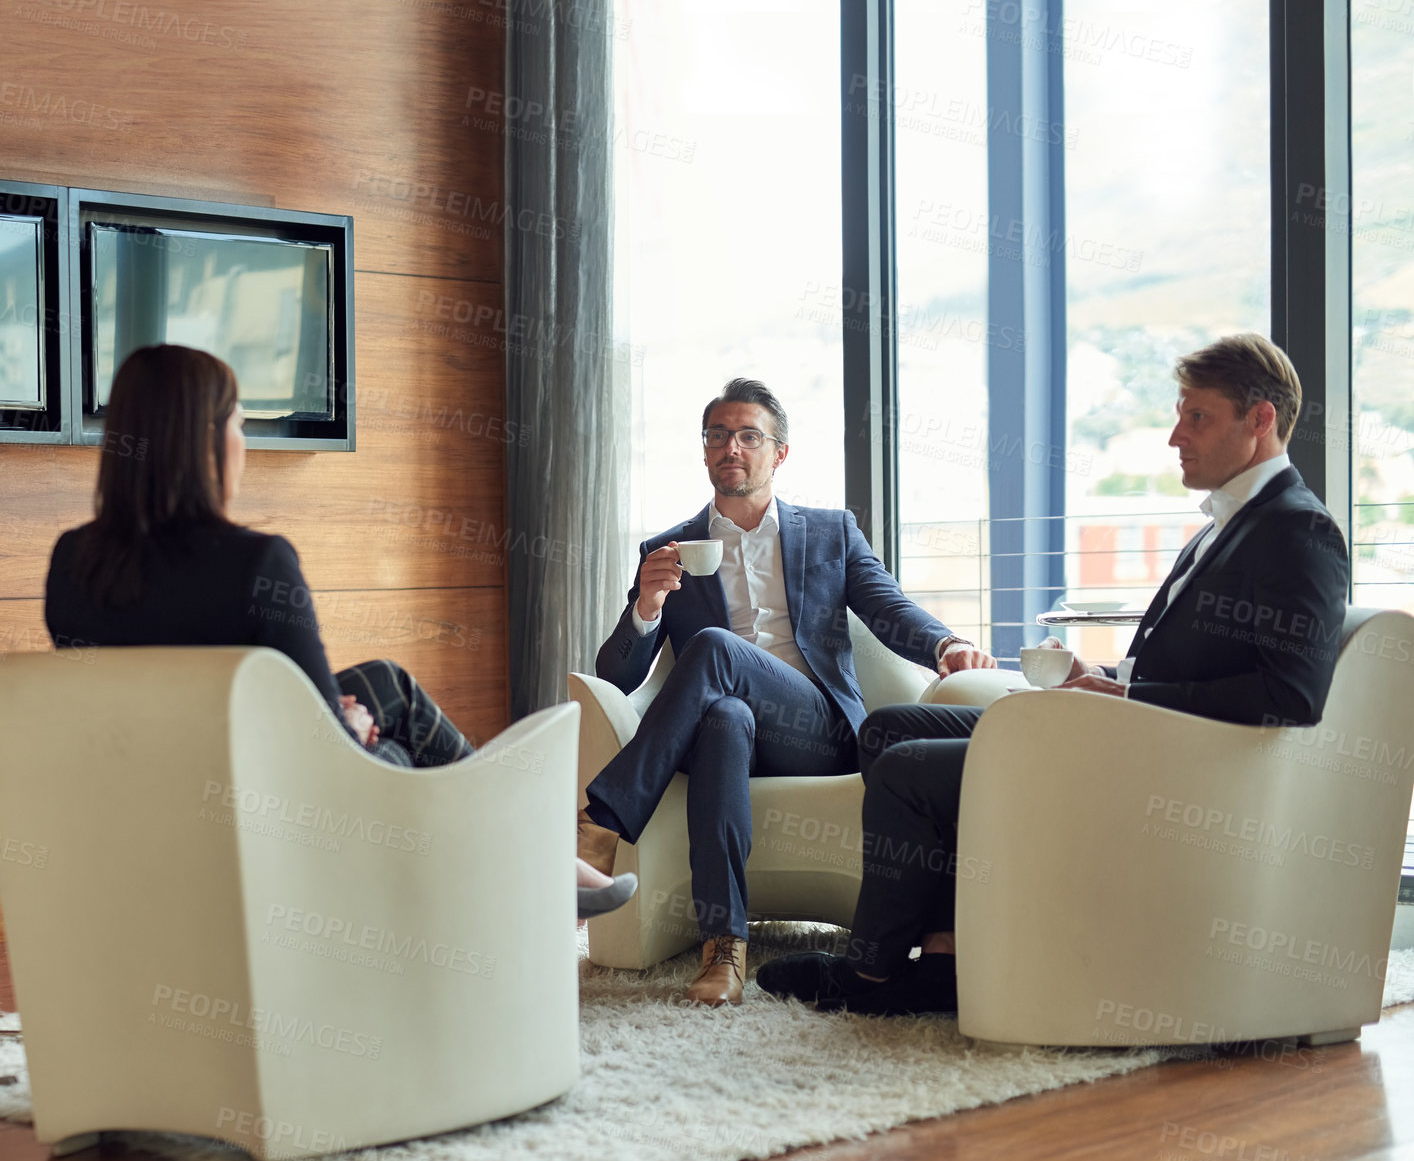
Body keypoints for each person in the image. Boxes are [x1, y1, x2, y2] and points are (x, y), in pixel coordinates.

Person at [758, 333, 1351, 1016]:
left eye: (1197, 417)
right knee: (889, 730)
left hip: (1153, 766)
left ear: (1261, 420)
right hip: (1118, 729)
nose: (1174, 437)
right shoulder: (1234, 522)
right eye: (1179, 414)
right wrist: (1098, 672)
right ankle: (948, 950)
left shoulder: (1297, 531)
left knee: (908, 769)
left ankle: (871, 975)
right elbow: (1194, 662)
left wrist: (1128, 694)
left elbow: (1291, 696)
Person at [45, 343, 632, 920]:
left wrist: (328, 717)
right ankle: (535, 859)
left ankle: (543, 861)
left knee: (386, 684)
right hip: (277, 824)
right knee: (400, 757)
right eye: (239, 424)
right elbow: (325, 748)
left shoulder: (73, 564)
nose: (243, 444)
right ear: (203, 441)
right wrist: (342, 722)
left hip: (148, 814)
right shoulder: (256, 564)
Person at [575, 377, 996, 1006]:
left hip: (815, 730)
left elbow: (887, 607)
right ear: (706, 450)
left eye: (749, 436)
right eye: (718, 436)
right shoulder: (667, 548)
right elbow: (617, 677)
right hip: (729, 733)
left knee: (715, 646)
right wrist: (646, 605)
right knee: (722, 716)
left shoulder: (830, 533)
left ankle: (598, 829)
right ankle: (725, 948)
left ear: (779, 453)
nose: (731, 448)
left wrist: (944, 645)